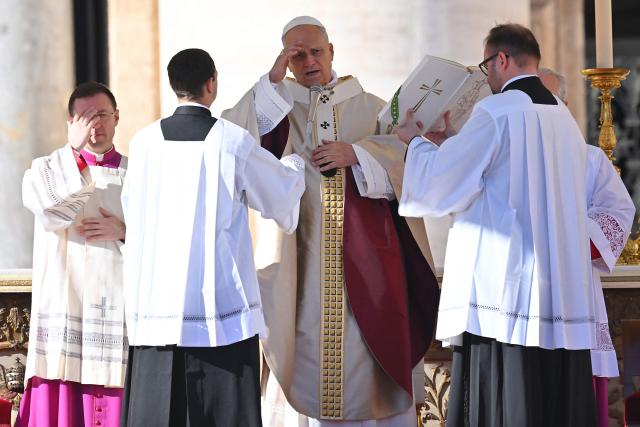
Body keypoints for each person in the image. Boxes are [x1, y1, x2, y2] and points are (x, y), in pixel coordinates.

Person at [223, 15, 440, 426]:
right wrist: (268, 87)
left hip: (367, 265)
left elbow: (410, 160)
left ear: (332, 51)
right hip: (299, 265)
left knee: (365, 351)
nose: (309, 62)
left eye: (316, 52)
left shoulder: (372, 108)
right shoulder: (275, 106)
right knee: (304, 347)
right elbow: (233, 142)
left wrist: (357, 154)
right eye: (297, 55)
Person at [396, 23, 608, 426]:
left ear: (502, 60)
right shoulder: (562, 116)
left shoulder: (497, 110)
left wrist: (416, 143)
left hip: (506, 286)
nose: (487, 77)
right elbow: (503, 173)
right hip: (557, 287)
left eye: (486, 67)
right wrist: (456, 141)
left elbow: (446, 185)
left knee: (504, 399)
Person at [119, 48, 305, 427]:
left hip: (156, 314)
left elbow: (132, 213)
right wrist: (295, 163)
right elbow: (278, 194)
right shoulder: (231, 142)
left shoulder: (142, 144)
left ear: (174, 86)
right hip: (220, 319)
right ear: (211, 84)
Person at [18, 82, 127, 427]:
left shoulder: (139, 174)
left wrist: (126, 232)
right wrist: (75, 152)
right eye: (84, 116)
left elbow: (166, 238)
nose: (95, 124)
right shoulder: (45, 171)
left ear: (117, 118)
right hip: (66, 306)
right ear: (70, 123)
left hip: (119, 311)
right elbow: (48, 208)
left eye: (102, 115)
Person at [539, 67, 636, 427]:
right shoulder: (503, 158)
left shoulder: (589, 160)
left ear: (565, 105)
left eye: (548, 101)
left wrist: (561, 230)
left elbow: (618, 212)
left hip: (575, 297)